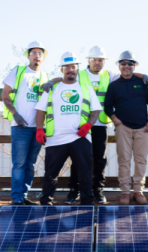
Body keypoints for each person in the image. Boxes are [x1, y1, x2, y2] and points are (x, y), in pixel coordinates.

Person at [41, 46, 148, 205]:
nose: (97, 63)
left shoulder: (110, 75)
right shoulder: (80, 74)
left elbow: (127, 74)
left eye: (100, 60)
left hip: (100, 123)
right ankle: (74, 191)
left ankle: (98, 190)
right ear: (89, 61)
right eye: (94, 60)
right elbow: (65, 77)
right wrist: (52, 80)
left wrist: (143, 75)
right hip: (81, 123)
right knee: (77, 159)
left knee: (100, 159)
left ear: (104, 62)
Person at [35, 52, 102, 205]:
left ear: (78, 69)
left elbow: (96, 110)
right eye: (67, 67)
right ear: (62, 70)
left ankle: (86, 201)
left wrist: (88, 125)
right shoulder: (52, 88)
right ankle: (46, 201)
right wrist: (39, 129)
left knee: (84, 172)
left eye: (73, 67)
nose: (70, 70)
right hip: (56, 138)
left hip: (80, 137)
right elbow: (40, 110)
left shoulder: (86, 88)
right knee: (51, 173)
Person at [104, 51, 148, 205]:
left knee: (141, 160)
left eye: (130, 63)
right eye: (123, 63)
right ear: (119, 66)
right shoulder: (114, 85)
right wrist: (115, 120)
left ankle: (138, 192)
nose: (127, 66)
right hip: (123, 128)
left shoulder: (143, 83)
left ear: (135, 65)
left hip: (143, 128)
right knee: (124, 160)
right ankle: (125, 192)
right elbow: (108, 106)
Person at [1, 41, 48, 205]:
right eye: (34, 52)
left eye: (40, 53)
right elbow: (5, 94)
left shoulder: (44, 76)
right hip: (20, 126)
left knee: (30, 164)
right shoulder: (19, 71)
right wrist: (16, 115)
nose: (37, 55)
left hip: (37, 128)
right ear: (28, 56)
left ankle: (24, 194)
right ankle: (17, 197)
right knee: (19, 163)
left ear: (43, 57)